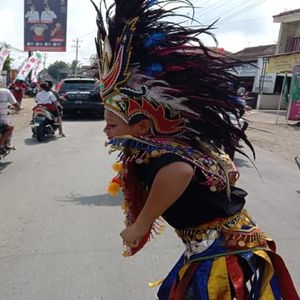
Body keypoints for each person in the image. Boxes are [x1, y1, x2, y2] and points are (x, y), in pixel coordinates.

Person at [93, 1, 299, 299]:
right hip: (219, 245)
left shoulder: (163, 154)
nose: (106, 131)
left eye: (112, 125)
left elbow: (180, 170)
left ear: (142, 126)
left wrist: (141, 225)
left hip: (221, 255)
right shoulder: (172, 144)